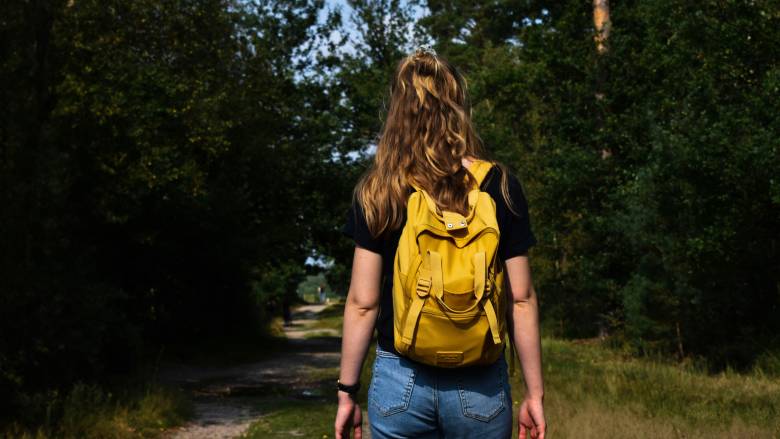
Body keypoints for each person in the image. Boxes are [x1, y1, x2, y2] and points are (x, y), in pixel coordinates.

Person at [334, 45, 546, 439]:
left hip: (401, 380)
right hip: (480, 383)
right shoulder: (499, 184)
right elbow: (521, 298)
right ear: (458, 107)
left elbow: (363, 304)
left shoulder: (380, 190)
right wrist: (535, 394)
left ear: (397, 112)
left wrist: (347, 392)